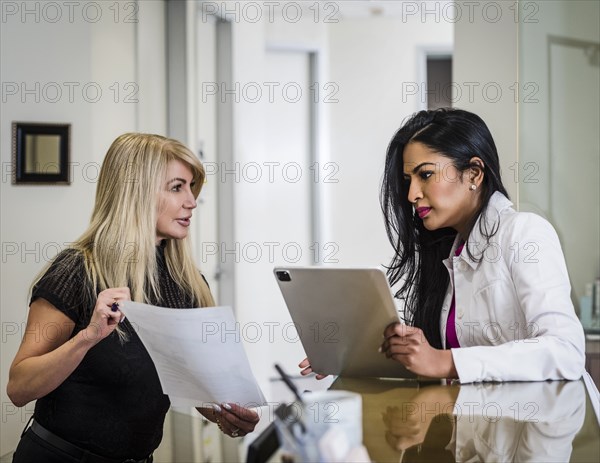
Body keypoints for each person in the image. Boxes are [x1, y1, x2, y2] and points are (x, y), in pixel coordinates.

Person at [7, 133, 259, 462]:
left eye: (191, 186)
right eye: (177, 187)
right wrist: (88, 337)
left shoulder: (187, 283)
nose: (191, 201)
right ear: (135, 192)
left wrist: (224, 415)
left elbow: (184, 381)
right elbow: (19, 387)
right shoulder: (77, 271)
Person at [301, 108, 585, 383]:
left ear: (474, 173)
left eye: (425, 175)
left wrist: (445, 361)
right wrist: (353, 358)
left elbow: (565, 352)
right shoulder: (451, 253)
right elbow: (437, 364)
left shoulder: (524, 232)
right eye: (407, 180)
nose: (412, 194)